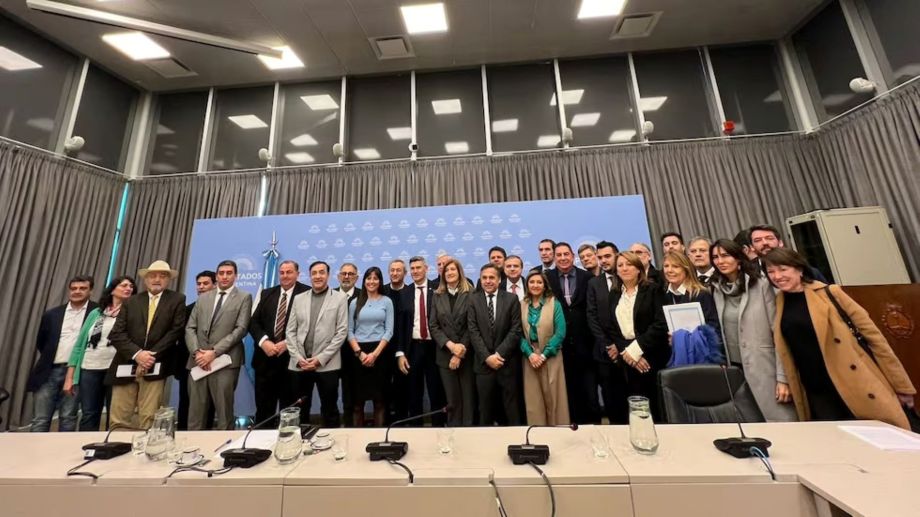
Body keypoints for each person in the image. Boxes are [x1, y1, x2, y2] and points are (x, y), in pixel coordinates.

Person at [765, 249, 916, 429]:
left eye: (783, 269)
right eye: (771, 271)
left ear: (799, 269)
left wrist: (901, 386)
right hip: (816, 390)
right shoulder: (780, 301)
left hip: (852, 382)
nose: (777, 276)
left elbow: (875, 339)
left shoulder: (830, 293)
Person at [709, 240, 796, 422]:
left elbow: (779, 333)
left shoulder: (762, 285)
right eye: (715, 257)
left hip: (765, 367)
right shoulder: (716, 289)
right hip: (734, 371)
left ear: (738, 258)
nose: (720, 261)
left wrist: (783, 378)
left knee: (780, 424)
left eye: (725, 255)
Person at [108, 261, 186, 430]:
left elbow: (176, 331)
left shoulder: (177, 299)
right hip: (126, 363)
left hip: (156, 364)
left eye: (162, 276)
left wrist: (149, 356)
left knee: (149, 417)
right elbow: (116, 333)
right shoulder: (131, 301)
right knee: (118, 418)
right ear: (145, 279)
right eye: (153, 276)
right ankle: (116, 445)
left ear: (169, 280)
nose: (157, 279)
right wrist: (138, 355)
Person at [185, 260, 252, 430]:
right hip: (198, 362)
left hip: (225, 362)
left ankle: (225, 445)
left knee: (224, 413)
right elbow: (190, 327)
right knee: (195, 413)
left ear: (236, 276)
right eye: (221, 273)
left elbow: (241, 329)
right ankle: (193, 445)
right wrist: (197, 353)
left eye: (229, 273)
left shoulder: (244, 297)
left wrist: (214, 352)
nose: (225, 276)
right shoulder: (204, 297)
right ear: (216, 276)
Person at [63, 276, 136, 431]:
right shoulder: (96, 313)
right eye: (124, 285)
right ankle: (87, 444)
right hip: (90, 367)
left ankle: (111, 444)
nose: (128, 288)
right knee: (89, 413)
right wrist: (70, 377)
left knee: (115, 414)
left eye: (131, 286)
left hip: (116, 368)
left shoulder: (133, 313)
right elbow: (79, 346)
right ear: (112, 290)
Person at [27, 275, 98, 432]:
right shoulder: (52, 314)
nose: (77, 291)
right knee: (40, 419)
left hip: (77, 372)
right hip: (49, 371)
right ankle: (35, 448)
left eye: (82, 288)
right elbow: (42, 342)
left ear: (91, 291)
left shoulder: (97, 313)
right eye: (73, 288)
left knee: (68, 418)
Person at [286, 261, 348, 428]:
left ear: (328, 275)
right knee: (300, 410)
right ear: (309, 276)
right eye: (314, 273)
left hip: (327, 364)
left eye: (322, 272)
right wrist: (298, 358)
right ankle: (301, 441)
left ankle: (331, 440)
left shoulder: (340, 298)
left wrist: (320, 359)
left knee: (330, 409)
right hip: (300, 364)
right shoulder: (299, 299)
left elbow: (341, 332)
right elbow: (290, 331)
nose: (318, 276)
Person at [248, 260, 309, 426]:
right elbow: (254, 322)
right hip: (265, 360)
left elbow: (310, 325)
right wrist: (264, 342)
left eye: (289, 272)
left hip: (292, 362)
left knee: (290, 411)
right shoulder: (267, 293)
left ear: (297, 274)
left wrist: (287, 343)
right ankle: (262, 440)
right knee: (263, 411)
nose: (285, 276)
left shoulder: (307, 293)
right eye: (282, 272)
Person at [609, 252, 668, 416]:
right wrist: (627, 352)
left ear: (638, 269)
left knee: (656, 406)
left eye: (629, 264)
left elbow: (660, 324)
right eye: (620, 265)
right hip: (627, 359)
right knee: (635, 408)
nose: (624, 268)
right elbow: (612, 328)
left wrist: (636, 350)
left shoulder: (653, 290)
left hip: (651, 355)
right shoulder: (614, 294)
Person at [547, 242, 598, 424]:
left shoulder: (587, 277)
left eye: (566, 254)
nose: (562, 258)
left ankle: (593, 429)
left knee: (590, 394)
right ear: (554, 258)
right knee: (567, 394)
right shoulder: (547, 278)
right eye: (559, 255)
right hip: (559, 346)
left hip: (586, 344)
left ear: (573, 256)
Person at [469, 264, 523, 425]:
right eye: (484, 278)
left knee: (511, 409)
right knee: (485, 410)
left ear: (499, 280)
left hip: (506, 363)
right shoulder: (473, 300)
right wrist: (487, 357)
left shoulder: (511, 299)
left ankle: (514, 439)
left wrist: (499, 354)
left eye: (492, 277)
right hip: (483, 365)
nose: (488, 281)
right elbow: (473, 331)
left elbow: (515, 330)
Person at [396, 256, 446, 426]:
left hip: (435, 347)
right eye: (412, 269)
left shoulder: (438, 288)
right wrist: (400, 353)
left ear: (426, 269)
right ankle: (416, 430)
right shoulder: (405, 292)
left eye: (419, 267)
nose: (415, 271)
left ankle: (438, 428)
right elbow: (400, 326)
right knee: (414, 392)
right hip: (413, 348)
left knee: (436, 391)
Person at [428, 258, 475, 426]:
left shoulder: (471, 293)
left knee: (468, 399)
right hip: (444, 354)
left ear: (459, 272)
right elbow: (433, 325)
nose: (449, 273)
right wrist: (451, 346)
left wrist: (459, 352)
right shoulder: (437, 295)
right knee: (452, 400)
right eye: (446, 270)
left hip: (466, 354)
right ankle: (454, 433)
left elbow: (473, 325)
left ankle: (468, 432)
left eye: (452, 269)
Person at [586, 241, 629, 424]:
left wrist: (621, 345)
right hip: (605, 352)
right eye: (600, 257)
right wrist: (608, 344)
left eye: (607, 256)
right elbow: (592, 316)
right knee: (611, 399)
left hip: (630, 350)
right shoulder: (593, 283)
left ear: (617, 255)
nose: (603, 260)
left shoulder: (628, 278)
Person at [345, 267, 394, 427]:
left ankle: (378, 437)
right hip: (358, 354)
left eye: (375, 278)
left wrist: (374, 354)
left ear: (380, 281)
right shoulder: (355, 302)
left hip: (380, 354)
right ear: (364, 280)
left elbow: (389, 331)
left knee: (380, 402)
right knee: (357, 403)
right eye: (368, 278)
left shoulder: (387, 301)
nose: (371, 281)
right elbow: (349, 331)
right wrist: (360, 354)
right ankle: (358, 437)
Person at [520, 270, 569, 425]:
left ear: (545, 285)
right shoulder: (521, 305)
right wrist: (530, 354)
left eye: (539, 282)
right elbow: (517, 333)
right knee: (534, 399)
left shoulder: (554, 303)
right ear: (527, 285)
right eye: (532, 282)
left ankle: (557, 431)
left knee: (554, 397)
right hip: (530, 357)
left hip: (551, 355)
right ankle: (537, 431)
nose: (535, 285)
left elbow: (560, 332)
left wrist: (544, 355)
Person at [176, 270, 215, 430]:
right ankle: (182, 436)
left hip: (212, 363)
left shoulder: (220, 309)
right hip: (188, 364)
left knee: (209, 405)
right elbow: (181, 336)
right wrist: (196, 354)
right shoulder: (187, 309)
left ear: (215, 285)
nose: (201, 287)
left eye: (205, 283)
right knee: (185, 403)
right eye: (199, 284)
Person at [661, 252, 721, 332]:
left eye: (675, 266)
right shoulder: (663, 295)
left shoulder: (701, 294)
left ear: (686, 270)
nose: (669, 270)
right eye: (666, 266)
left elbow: (713, 327)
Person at [749, 225, 827, 282]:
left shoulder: (806, 270)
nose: (765, 242)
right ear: (751, 247)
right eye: (758, 240)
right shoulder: (748, 274)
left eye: (769, 238)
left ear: (780, 243)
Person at [383, 259, 409, 423]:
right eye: (392, 270)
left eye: (398, 270)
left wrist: (402, 351)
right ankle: (386, 422)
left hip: (406, 349)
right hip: (383, 349)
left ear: (405, 273)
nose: (394, 273)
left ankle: (402, 421)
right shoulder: (382, 291)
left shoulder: (410, 292)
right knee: (384, 389)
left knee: (403, 388)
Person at [337, 262, 361, 426]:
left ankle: (353, 428)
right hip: (331, 353)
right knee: (330, 395)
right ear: (339, 276)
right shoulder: (329, 294)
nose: (346, 277)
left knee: (354, 396)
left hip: (356, 353)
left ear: (357, 278)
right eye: (344, 274)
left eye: (350, 274)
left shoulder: (364, 295)